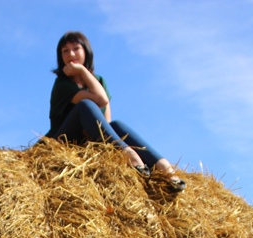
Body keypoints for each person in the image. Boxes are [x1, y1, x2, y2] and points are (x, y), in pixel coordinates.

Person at [45, 31, 186, 193]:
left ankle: (165, 169)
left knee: (116, 124)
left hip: (92, 141)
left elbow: (107, 122)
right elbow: (100, 100)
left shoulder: (99, 81)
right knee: (85, 105)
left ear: (86, 51)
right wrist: (83, 71)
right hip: (64, 141)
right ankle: (129, 155)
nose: (71, 54)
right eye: (65, 51)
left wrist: (85, 73)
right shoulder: (62, 84)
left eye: (76, 48)